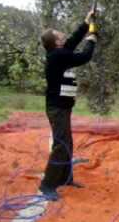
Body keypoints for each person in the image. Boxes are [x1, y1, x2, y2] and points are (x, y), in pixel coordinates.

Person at [39, 11, 98, 201]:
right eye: (59, 35)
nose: (63, 35)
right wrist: (91, 38)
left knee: (67, 144)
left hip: (63, 108)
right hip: (57, 109)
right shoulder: (57, 56)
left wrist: (86, 21)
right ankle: (47, 185)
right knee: (60, 145)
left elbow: (72, 41)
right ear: (56, 42)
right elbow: (84, 56)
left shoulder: (59, 53)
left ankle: (65, 178)